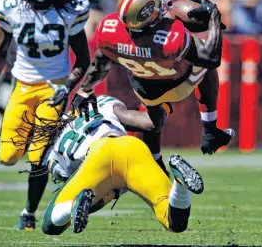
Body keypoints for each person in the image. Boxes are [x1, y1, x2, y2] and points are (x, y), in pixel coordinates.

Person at [0, 0, 91, 230]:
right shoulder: (9, 6)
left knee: (37, 158)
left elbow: (84, 59)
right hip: (23, 88)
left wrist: (67, 87)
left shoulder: (70, 9)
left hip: (53, 91)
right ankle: (56, 153)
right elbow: (0, 49)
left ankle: (28, 213)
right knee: (7, 157)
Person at [71, 0, 234, 173]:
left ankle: (152, 157)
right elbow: (211, 58)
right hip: (179, 82)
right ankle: (210, 129)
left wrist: (85, 89)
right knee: (204, 65)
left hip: (145, 89)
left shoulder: (110, 30)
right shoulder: (167, 39)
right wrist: (214, 18)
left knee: (153, 121)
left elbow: (101, 62)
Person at [19, 95, 204, 234]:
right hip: (132, 148)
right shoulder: (100, 105)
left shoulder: (54, 155)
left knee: (51, 224)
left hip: (98, 157)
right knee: (174, 223)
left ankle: (75, 202)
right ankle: (180, 185)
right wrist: (162, 105)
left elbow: (93, 198)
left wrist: (87, 201)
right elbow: (148, 124)